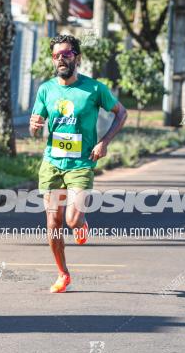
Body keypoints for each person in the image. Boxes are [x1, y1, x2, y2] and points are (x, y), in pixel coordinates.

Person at [29, 34, 128, 293]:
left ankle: (81, 225)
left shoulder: (95, 89)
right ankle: (63, 274)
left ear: (77, 58)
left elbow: (122, 113)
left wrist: (104, 142)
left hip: (81, 164)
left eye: (66, 54)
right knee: (53, 223)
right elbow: (36, 125)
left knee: (72, 221)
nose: (61, 59)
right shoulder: (46, 89)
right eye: (56, 55)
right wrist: (34, 126)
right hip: (52, 163)